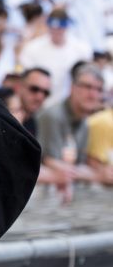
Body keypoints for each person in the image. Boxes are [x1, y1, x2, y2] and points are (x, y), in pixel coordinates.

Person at [36, 63, 113, 192]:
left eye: (98, 90)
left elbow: (78, 166)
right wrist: (99, 175)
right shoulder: (53, 115)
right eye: (87, 87)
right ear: (72, 87)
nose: (93, 94)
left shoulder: (84, 121)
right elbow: (55, 165)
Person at [19, 8, 92, 104]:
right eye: (53, 28)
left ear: (66, 27)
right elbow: (26, 78)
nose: (56, 32)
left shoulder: (82, 49)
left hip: (68, 104)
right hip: (39, 103)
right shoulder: (32, 48)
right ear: (48, 26)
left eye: (60, 28)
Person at [16, 67, 52, 137]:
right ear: (19, 87)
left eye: (46, 93)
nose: (40, 97)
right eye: (34, 89)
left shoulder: (35, 124)